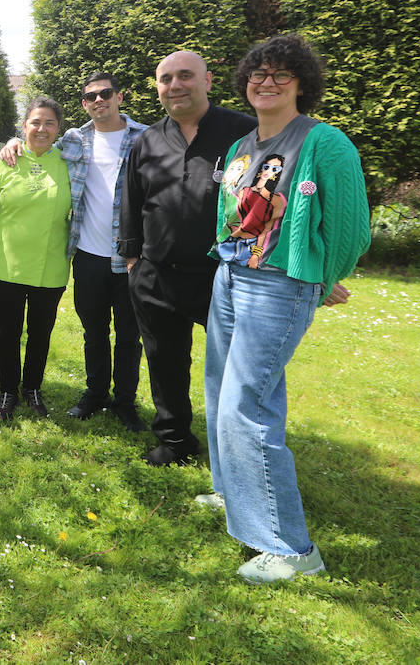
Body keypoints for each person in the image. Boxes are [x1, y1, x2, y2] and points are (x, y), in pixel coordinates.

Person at [201, 34, 370, 583]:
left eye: (280, 74)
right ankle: (233, 492)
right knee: (218, 390)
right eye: (258, 74)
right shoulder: (242, 145)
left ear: (302, 84)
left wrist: (320, 277)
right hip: (231, 275)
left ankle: (292, 550)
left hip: (276, 287)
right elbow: (231, 212)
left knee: (247, 405)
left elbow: (349, 231)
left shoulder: (325, 143)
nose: (266, 83)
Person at [118, 51, 257, 466]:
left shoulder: (244, 133)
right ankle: (175, 440)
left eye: (185, 76)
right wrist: (132, 259)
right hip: (157, 275)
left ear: (207, 81)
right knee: (165, 362)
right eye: (165, 79)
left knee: (236, 366)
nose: (175, 85)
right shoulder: (148, 141)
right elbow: (131, 199)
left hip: (225, 275)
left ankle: (236, 447)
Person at [0, 74, 149, 428]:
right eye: (91, 96)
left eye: (106, 93)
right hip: (87, 255)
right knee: (93, 332)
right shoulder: (74, 139)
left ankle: (125, 402)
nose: (99, 100)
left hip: (132, 257)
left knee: (129, 336)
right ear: (84, 103)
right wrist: (13, 141)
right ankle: (95, 393)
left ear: (119, 97)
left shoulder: (145, 138)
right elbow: (39, 144)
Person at [0, 97, 73, 421]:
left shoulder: (69, 163)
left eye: (49, 123)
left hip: (50, 267)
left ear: (58, 128)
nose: (42, 129)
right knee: (7, 334)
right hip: (7, 266)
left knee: (40, 334)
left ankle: (32, 388)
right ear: (24, 125)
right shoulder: (5, 161)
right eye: (35, 122)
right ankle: (8, 391)